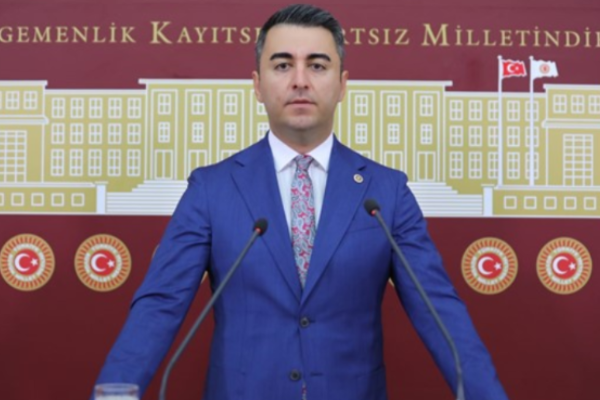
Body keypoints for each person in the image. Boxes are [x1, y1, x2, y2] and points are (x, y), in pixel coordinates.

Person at [95, 4, 508, 400]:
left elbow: (439, 312)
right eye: (282, 65)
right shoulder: (212, 189)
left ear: (342, 85)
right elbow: (159, 307)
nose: (300, 80)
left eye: (317, 65)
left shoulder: (386, 192)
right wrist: (114, 394)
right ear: (257, 86)